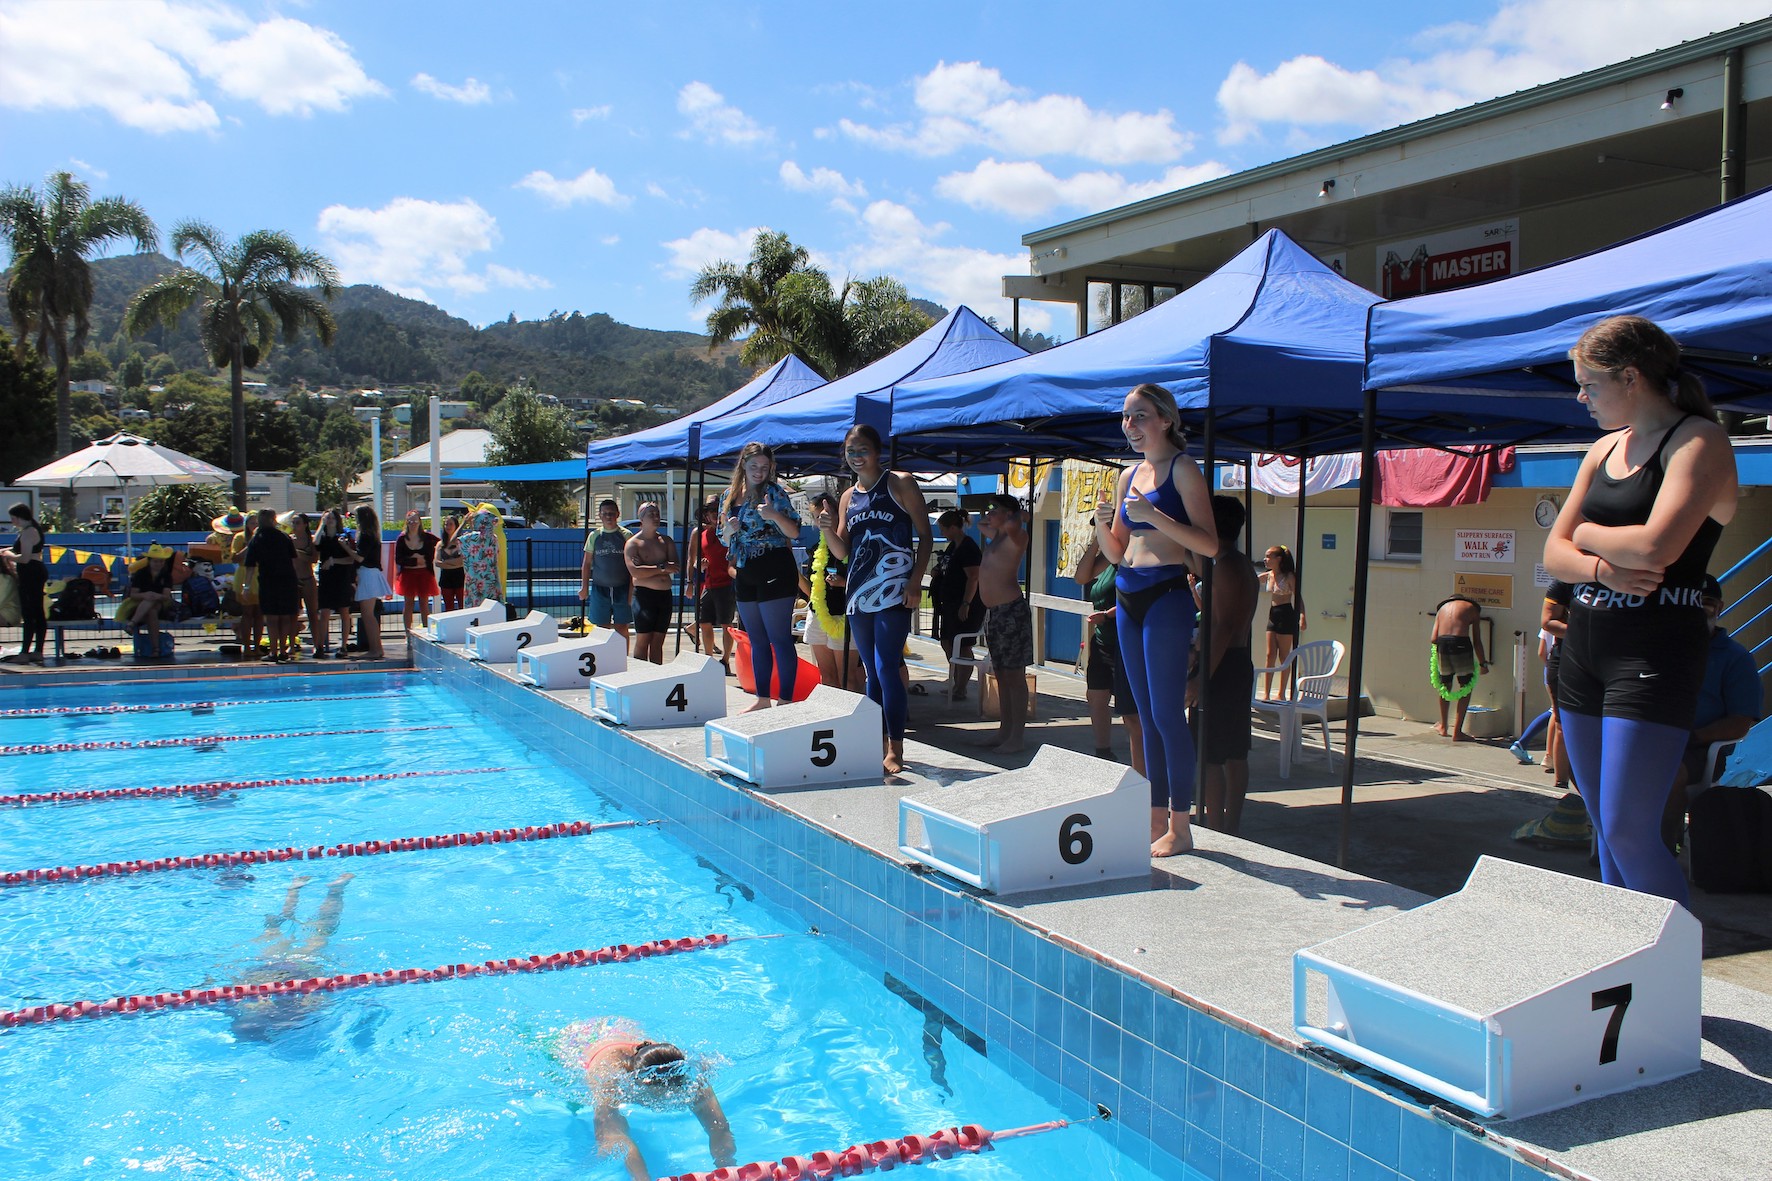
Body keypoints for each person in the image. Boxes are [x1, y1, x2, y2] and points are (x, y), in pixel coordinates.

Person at [1544, 314, 1738, 906]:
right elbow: (1554, 553)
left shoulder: (1698, 441)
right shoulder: (1604, 448)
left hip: (1653, 655)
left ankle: (1681, 956)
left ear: (1630, 377)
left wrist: (1588, 536)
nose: (1580, 398)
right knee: (1604, 828)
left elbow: (1656, 549)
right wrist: (1603, 567)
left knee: (1632, 830)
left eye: (1589, 385)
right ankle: (1624, 953)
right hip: (1585, 652)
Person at [1095, 384, 1220, 857]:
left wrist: (1154, 515)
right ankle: (1154, 820)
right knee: (1144, 717)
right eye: (1126, 417)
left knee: (1168, 715)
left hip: (1167, 594)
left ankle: (1181, 826)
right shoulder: (1128, 475)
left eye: (1140, 415)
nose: (1130, 425)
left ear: (1165, 420)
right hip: (1128, 594)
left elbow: (1209, 545)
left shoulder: (1183, 469)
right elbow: (1116, 553)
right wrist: (1101, 524)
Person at [817, 426, 932, 775]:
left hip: (894, 587)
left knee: (886, 667)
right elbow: (842, 552)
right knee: (870, 671)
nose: (856, 457)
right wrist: (826, 527)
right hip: (858, 592)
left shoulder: (900, 483)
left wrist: (916, 581)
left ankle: (896, 746)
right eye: (850, 451)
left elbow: (925, 536)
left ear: (877, 451)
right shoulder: (848, 497)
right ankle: (877, 741)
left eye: (862, 449)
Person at [556, 1018, 736, 1181]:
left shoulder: (688, 1075)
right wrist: (642, 1178)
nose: (672, 1094)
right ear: (641, 1084)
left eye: (677, 1087)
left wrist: (726, 1166)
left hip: (622, 1028)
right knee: (576, 1107)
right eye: (662, 1091)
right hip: (577, 1040)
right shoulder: (610, 1078)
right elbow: (614, 1137)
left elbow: (719, 1126)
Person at [1662, 575, 1762, 852]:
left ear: (1719, 607)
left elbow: (1740, 724)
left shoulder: (1737, 658)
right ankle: (1611, 845)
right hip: (1648, 738)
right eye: (1691, 601)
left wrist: (1689, 737)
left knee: (1666, 774)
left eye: (1706, 602)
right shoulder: (1658, 648)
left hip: (1698, 751)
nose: (1698, 609)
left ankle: (1661, 853)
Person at [1190, 496, 1260, 835]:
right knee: (1234, 751)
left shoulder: (1228, 566)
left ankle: (1218, 828)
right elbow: (1219, 615)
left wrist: (1200, 678)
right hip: (1235, 661)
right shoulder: (1238, 564)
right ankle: (1229, 825)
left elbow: (1224, 627)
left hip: (1223, 663)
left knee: (1211, 755)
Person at [722, 442, 802, 712]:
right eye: (754, 466)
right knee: (756, 639)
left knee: (779, 638)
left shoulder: (774, 492)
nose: (759, 471)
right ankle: (763, 699)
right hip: (746, 570)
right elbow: (724, 539)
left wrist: (773, 515)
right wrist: (728, 532)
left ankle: (786, 700)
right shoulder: (729, 496)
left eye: (764, 467)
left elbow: (794, 532)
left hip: (774, 567)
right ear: (743, 465)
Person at [229, 872, 353, 1043]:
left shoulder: (295, 1015)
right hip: (267, 964)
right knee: (273, 930)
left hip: (301, 966)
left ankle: (335, 891)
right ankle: (293, 890)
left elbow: (322, 996)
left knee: (321, 931)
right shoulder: (238, 1005)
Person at [1072, 534, 1143, 771]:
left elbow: (1137, 598)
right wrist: (1096, 543)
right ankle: (1103, 751)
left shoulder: (1132, 558)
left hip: (1126, 641)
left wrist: (1108, 615)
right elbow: (1081, 577)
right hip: (1102, 639)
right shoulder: (1107, 560)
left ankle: (1142, 763)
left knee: (1130, 708)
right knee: (1096, 695)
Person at [976, 494, 1032, 755]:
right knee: (1001, 674)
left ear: (1008, 514)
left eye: (993, 509)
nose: (987, 514)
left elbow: (1016, 523)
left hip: (1011, 612)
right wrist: (995, 514)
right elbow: (981, 524)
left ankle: (1016, 737)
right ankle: (1004, 730)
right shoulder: (996, 536)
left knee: (1014, 676)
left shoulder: (1016, 536)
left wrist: (1016, 515)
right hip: (994, 614)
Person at [799, 492, 863, 692]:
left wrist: (844, 583)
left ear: (838, 514)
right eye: (817, 517)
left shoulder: (852, 544)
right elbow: (811, 588)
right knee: (827, 676)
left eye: (825, 515)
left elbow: (862, 581)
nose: (821, 520)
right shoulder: (816, 548)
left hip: (843, 615)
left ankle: (851, 711)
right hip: (819, 613)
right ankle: (832, 710)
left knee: (847, 678)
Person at [931, 509, 986, 700]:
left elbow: (973, 577)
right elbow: (945, 565)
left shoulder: (968, 548)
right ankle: (956, 681)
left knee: (962, 645)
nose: (942, 533)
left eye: (943, 529)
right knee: (947, 642)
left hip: (967, 604)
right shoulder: (953, 546)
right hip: (949, 603)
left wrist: (966, 603)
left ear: (954, 527)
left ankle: (961, 687)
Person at [624, 502, 679, 665]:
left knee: (658, 642)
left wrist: (648, 568)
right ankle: (640, 675)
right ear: (641, 519)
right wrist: (662, 567)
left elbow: (675, 567)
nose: (656, 517)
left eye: (657, 514)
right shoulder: (633, 543)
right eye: (651, 514)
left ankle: (656, 674)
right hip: (644, 597)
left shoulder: (666, 541)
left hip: (664, 597)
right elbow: (636, 572)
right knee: (643, 640)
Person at [242, 510, 300, 662]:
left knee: (272, 618)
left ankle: (274, 651)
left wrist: (246, 587)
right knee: (285, 617)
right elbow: (293, 561)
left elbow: (250, 565)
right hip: (287, 580)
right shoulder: (284, 537)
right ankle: (283, 650)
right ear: (273, 520)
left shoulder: (257, 539)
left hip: (269, 581)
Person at [1429, 595, 1488, 741]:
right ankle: (1457, 732)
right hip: (1461, 644)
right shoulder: (1471, 608)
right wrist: (1483, 663)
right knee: (1466, 686)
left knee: (1444, 686)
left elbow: (1433, 639)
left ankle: (1443, 727)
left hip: (1442, 644)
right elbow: (1477, 641)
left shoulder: (1441, 609)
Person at [688, 497, 735, 671]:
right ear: (706, 515)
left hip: (727, 584)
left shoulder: (730, 531)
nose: (714, 514)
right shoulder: (701, 535)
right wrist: (699, 566)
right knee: (704, 622)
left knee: (726, 624)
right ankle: (709, 659)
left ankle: (725, 661)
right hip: (709, 584)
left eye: (717, 510)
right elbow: (694, 561)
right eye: (711, 511)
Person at [579, 500, 633, 640]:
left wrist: (631, 592)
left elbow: (633, 565)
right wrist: (584, 587)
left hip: (622, 589)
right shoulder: (594, 536)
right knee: (602, 628)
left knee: (621, 627)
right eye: (605, 513)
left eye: (612, 513)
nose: (608, 516)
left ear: (618, 514)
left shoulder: (626, 535)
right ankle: (605, 653)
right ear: (600, 515)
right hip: (600, 589)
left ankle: (622, 654)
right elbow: (587, 563)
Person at [1259, 546, 1304, 699]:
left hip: (1286, 614)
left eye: (1268, 556)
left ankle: (1281, 693)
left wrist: (1302, 616)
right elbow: (1250, 580)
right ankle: (1266, 694)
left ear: (1278, 559)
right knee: (1270, 654)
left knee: (1284, 656)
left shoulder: (1288, 576)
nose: (1265, 559)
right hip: (1273, 614)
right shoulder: (1269, 575)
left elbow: (1298, 597)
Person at [4, 502, 47, 664]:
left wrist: (8, 555)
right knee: (36, 611)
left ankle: (25, 653)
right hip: (33, 572)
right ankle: (37, 651)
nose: (12, 521)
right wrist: (7, 550)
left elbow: (24, 558)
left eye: (13, 518)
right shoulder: (31, 530)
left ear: (19, 517)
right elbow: (24, 550)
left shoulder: (29, 532)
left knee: (30, 613)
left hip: (31, 573)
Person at [314, 509, 358, 659]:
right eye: (327, 518)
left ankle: (343, 646)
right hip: (326, 579)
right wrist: (321, 524)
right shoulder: (323, 537)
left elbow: (350, 559)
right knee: (324, 612)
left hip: (341, 577)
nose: (330, 520)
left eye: (332, 517)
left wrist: (333, 561)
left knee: (344, 612)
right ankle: (320, 646)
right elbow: (315, 543)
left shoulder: (343, 536)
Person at [123, 543, 178, 659]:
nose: (159, 564)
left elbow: (166, 596)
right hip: (141, 605)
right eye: (156, 561)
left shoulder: (166, 575)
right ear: (149, 561)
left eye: (161, 561)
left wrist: (155, 596)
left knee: (151, 602)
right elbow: (133, 595)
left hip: (162, 605)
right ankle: (155, 649)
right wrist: (146, 595)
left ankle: (132, 624)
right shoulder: (140, 574)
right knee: (151, 610)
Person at [392, 510, 440, 632]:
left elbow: (442, 543)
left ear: (420, 522)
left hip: (424, 574)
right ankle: (407, 633)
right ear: (406, 522)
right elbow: (398, 559)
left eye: (415, 521)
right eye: (410, 521)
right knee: (408, 604)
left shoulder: (428, 537)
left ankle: (426, 631)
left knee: (424, 604)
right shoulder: (402, 539)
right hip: (408, 575)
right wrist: (414, 560)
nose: (413, 523)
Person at [352, 506, 389, 660]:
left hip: (368, 573)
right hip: (370, 573)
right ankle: (376, 648)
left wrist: (344, 547)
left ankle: (375, 649)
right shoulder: (372, 535)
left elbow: (360, 557)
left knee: (367, 615)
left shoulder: (366, 536)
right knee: (368, 614)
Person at [287, 512, 322, 653]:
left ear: (305, 525)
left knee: (312, 613)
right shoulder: (289, 540)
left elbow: (314, 559)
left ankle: (317, 644)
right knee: (292, 615)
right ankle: (291, 644)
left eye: (298, 523)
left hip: (307, 578)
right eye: (293, 523)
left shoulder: (310, 540)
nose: (294, 525)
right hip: (293, 580)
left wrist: (300, 554)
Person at [229, 511, 263, 656]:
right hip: (244, 575)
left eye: (257, 523)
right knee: (247, 613)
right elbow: (234, 557)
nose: (254, 525)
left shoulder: (264, 537)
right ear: (246, 524)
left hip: (260, 575)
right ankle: (247, 646)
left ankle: (257, 646)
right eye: (252, 523)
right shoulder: (240, 537)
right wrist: (250, 544)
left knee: (259, 613)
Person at [436, 514, 466, 613]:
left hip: (460, 577)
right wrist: (454, 563)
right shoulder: (440, 544)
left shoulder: (461, 542)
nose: (448, 526)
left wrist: (446, 562)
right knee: (448, 608)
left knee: (463, 606)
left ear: (456, 526)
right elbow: (437, 562)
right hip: (446, 579)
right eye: (446, 524)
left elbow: (462, 561)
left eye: (450, 524)